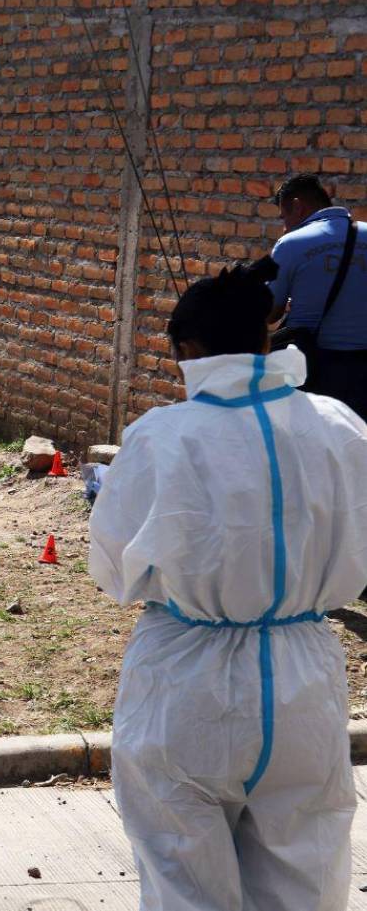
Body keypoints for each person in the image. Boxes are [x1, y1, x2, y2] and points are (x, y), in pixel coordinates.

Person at [89, 271, 367, 910]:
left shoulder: (162, 435)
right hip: (303, 680)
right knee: (307, 867)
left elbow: (114, 571)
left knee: (182, 873)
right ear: (263, 341)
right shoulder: (338, 424)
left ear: (187, 351)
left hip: (187, 684)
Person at [268, 174, 367, 418]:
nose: (284, 226)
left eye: (284, 217)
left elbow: (270, 313)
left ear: (298, 206)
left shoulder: (290, 244)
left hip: (314, 370)